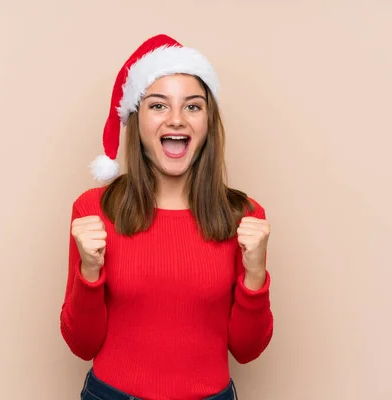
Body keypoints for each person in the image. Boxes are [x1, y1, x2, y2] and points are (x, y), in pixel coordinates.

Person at [60, 34, 274, 400]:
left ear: (208, 122)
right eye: (158, 106)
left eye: (193, 107)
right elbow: (81, 344)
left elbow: (247, 350)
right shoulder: (94, 210)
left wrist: (255, 275)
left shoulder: (244, 217)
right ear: (136, 120)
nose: (176, 120)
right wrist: (89, 273)